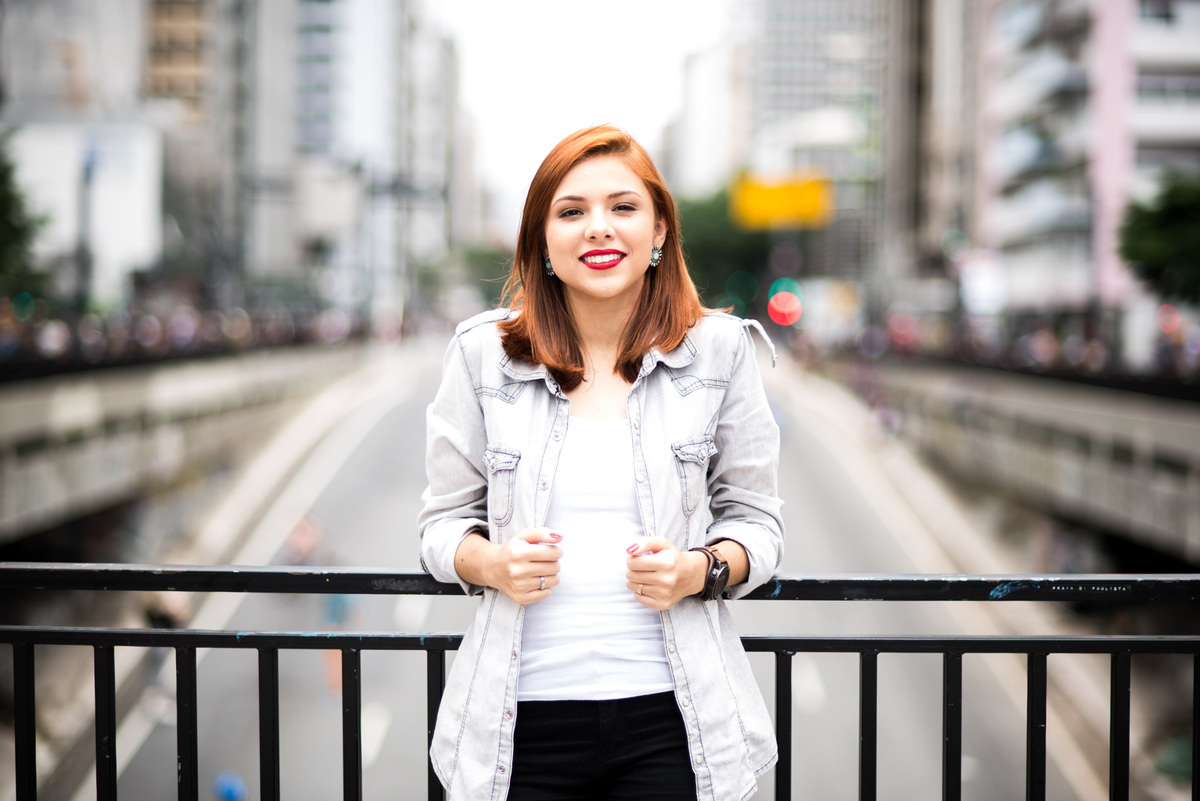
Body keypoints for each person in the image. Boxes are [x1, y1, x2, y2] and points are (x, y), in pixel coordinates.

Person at [418, 124, 784, 801]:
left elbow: (758, 523)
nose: (598, 228)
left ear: (660, 232)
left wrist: (697, 569)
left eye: (622, 207)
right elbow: (440, 527)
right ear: (542, 243)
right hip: (516, 724)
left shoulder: (722, 352)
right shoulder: (478, 355)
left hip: (672, 719)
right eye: (571, 211)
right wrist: (491, 563)